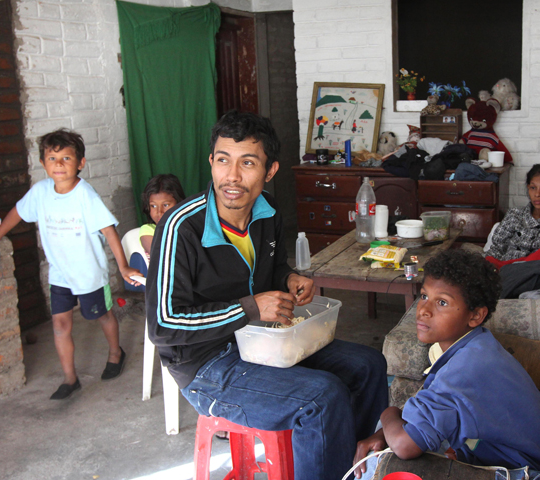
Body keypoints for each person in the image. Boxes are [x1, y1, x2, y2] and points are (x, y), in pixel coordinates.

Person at [145, 110, 388, 480]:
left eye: (248, 163)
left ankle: (351, 466)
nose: (232, 177)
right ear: (211, 162)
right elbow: (163, 325)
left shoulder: (267, 211)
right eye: (223, 160)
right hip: (205, 365)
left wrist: (289, 278)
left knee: (370, 365)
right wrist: (250, 308)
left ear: (270, 171)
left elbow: (271, 270)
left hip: (263, 342)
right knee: (322, 398)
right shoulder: (180, 227)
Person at [0, 129, 141, 399]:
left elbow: (109, 231)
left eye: (66, 158)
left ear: (80, 163)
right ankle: (70, 379)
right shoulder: (40, 192)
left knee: (102, 314)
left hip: (89, 275)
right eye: (52, 158)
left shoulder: (85, 195)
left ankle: (116, 353)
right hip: (59, 274)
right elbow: (16, 213)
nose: (58, 164)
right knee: (60, 326)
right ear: (43, 163)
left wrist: (122, 266)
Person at [353, 250, 540, 479]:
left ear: (476, 316)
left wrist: (388, 412)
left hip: (523, 472)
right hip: (503, 453)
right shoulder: (476, 344)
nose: (424, 310)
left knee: (377, 463)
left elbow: (404, 445)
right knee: (388, 435)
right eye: (423, 296)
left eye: (442, 302)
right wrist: (387, 427)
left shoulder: (466, 369)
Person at [124, 174, 186, 293]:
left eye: (166, 205)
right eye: (153, 206)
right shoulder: (148, 230)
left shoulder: (189, 227)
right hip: (167, 289)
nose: (159, 212)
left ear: (179, 203)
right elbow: (162, 255)